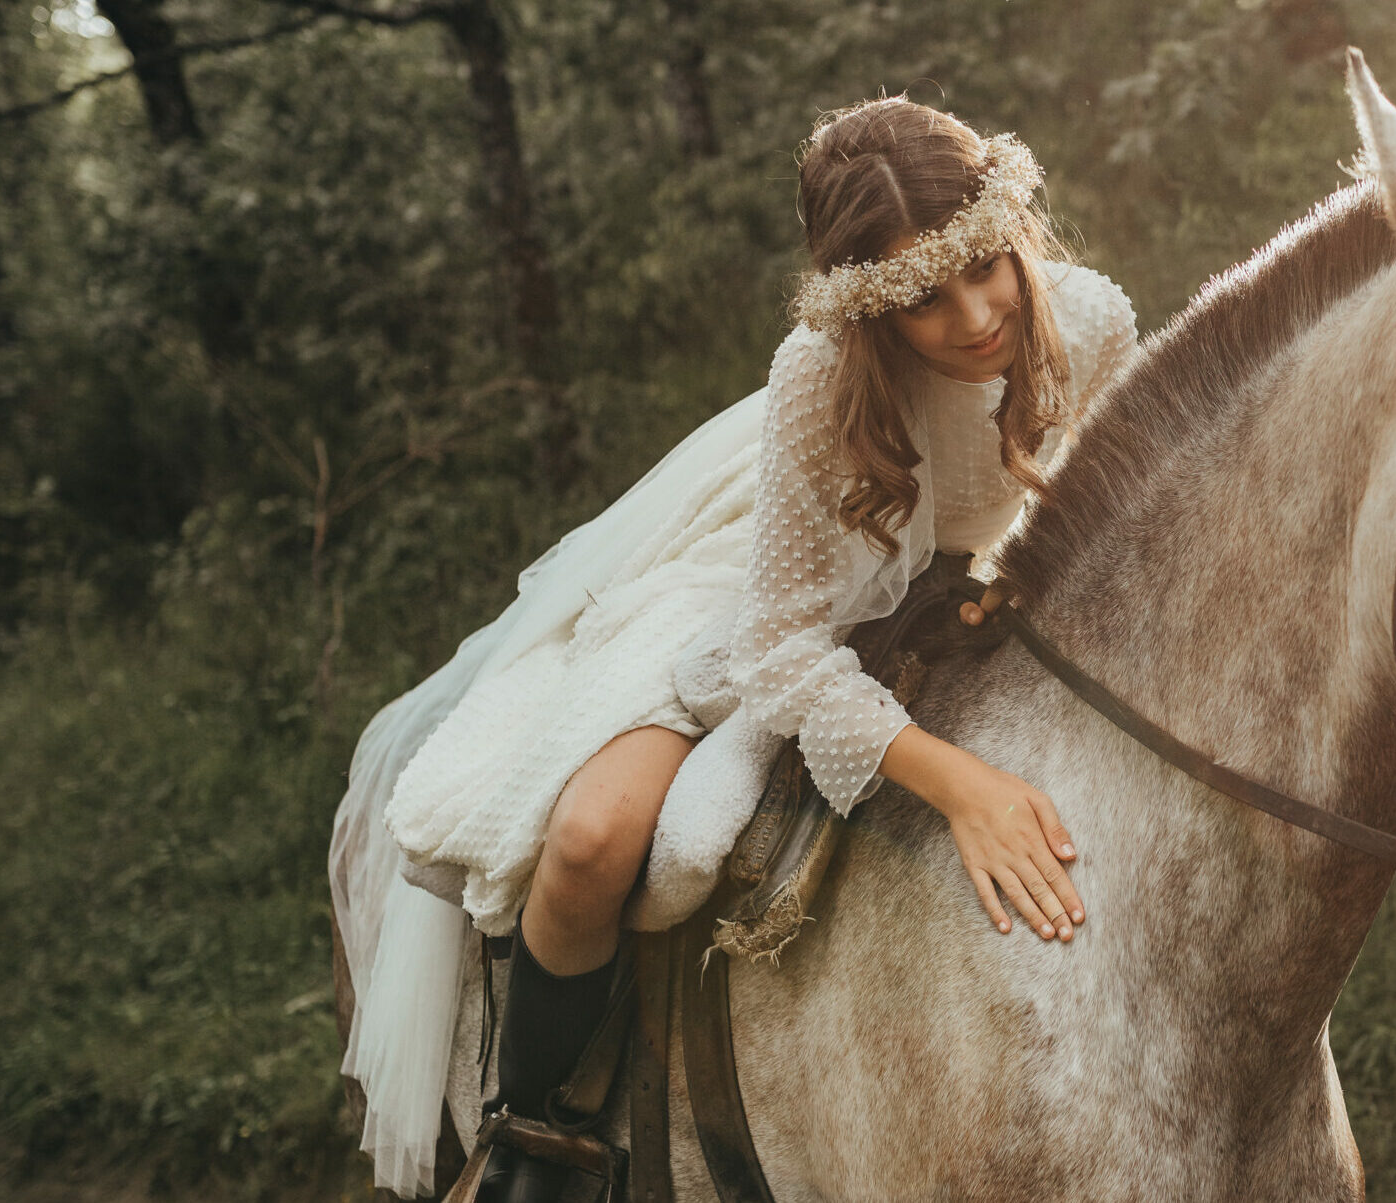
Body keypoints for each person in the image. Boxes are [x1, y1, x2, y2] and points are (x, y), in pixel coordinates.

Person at [328, 98, 1139, 1200]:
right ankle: (531, 1142)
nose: (977, 314)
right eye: (921, 298)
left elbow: (1096, 525)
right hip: (780, 583)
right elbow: (781, 649)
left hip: (971, 594)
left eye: (987, 266)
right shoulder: (822, 381)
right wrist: (957, 784)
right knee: (593, 837)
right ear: (866, 311)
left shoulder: (1088, 323)